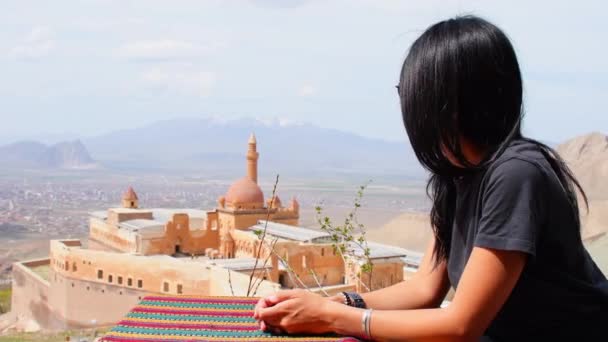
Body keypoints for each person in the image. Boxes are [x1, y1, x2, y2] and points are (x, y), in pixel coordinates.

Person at [254, 15, 608, 341]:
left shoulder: (516, 174)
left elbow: (461, 326)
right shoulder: (459, 178)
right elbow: (425, 288)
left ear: (449, 103)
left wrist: (331, 316)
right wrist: (336, 303)